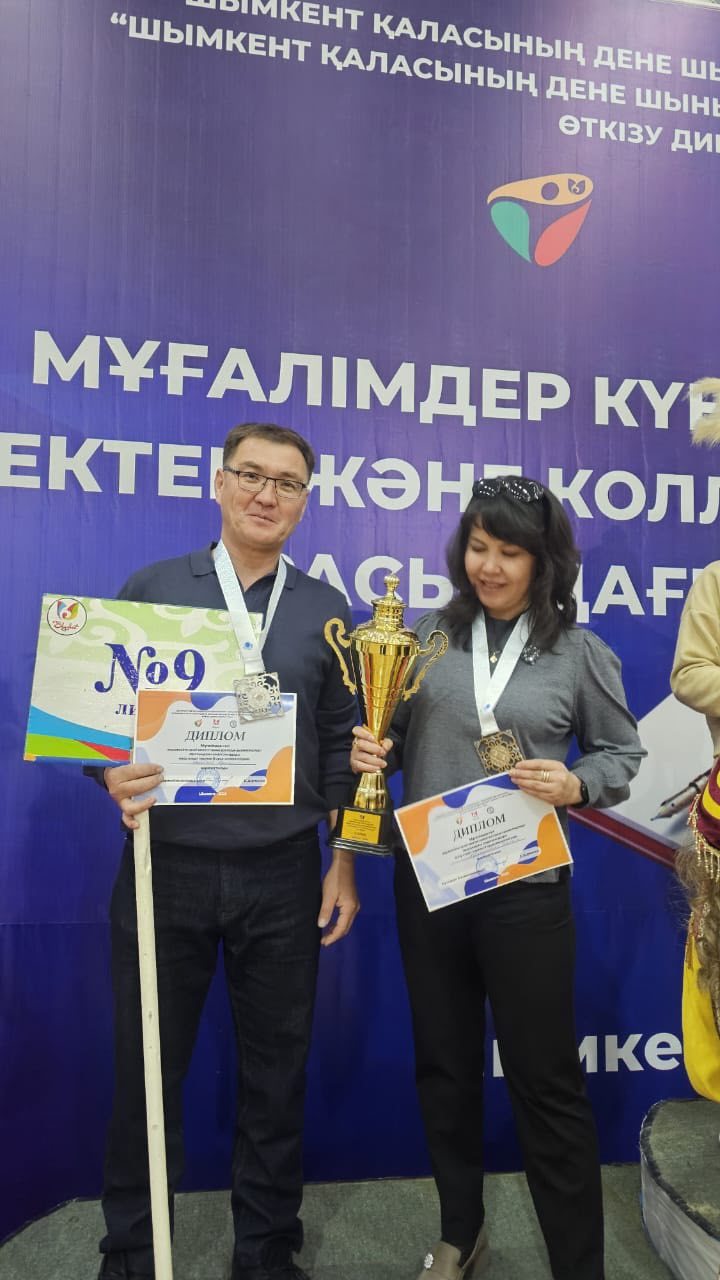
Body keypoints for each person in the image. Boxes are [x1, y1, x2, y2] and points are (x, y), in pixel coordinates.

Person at [351, 475, 645, 1280]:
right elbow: (387, 730)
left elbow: (621, 753)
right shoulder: (426, 637)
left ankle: (578, 1266)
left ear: (543, 561)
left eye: (510, 552)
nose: (489, 566)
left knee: (546, 1082)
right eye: (478, 547)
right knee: (444, 1067)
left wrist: (576, 782)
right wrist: (370, 747)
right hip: (431, 884)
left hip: (526, 892)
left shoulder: (578, 653)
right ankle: (462, 1232)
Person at [95, 422, 360, 1280]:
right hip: (163, 865)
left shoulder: (326, 609)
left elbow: (339, 745)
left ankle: (267, 1253)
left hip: (283, 872)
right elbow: (97, 717)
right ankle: (133, 1254)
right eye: (251, 475)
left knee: (277, 1078)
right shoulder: (154, 588)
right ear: (218, 483)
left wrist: (343, 860)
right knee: (147, 1075)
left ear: (305, 501)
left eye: (287, 483)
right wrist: (108, 771)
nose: (265, 495)